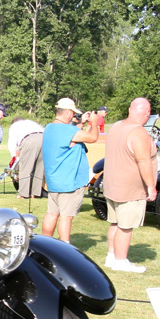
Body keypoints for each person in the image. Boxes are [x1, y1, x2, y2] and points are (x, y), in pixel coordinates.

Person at [103, 98, 157, 273]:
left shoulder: (116, 126)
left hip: (112, 184)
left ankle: (111, 257)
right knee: (125, 227)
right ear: (147, 113)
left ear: (130, 109)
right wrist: (151, 186)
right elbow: (143, 161)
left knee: (115, 223)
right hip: (129, 188)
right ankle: (120, 261)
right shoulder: (139, 132)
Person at [41, 98, 98, 242]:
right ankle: (65, 246)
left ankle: (45, 243)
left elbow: (70, 136)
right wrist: (95, 121)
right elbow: (92, 137)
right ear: (67, 112)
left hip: (54, 180)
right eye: (72, 113)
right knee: (66, 217)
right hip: (69, 181)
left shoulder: (50, 128)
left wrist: (82, 122)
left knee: (52, 213)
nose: (73, 116)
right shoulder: (68, 130)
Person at [6, 116, 45, 199]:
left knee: (25, 168)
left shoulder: (14, 126)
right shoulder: (31, 122)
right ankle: (34, 193)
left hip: (29, 139)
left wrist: (14, 157)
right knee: (39, 167)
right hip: (44, 138)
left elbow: (12, 143)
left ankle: (22, 194)